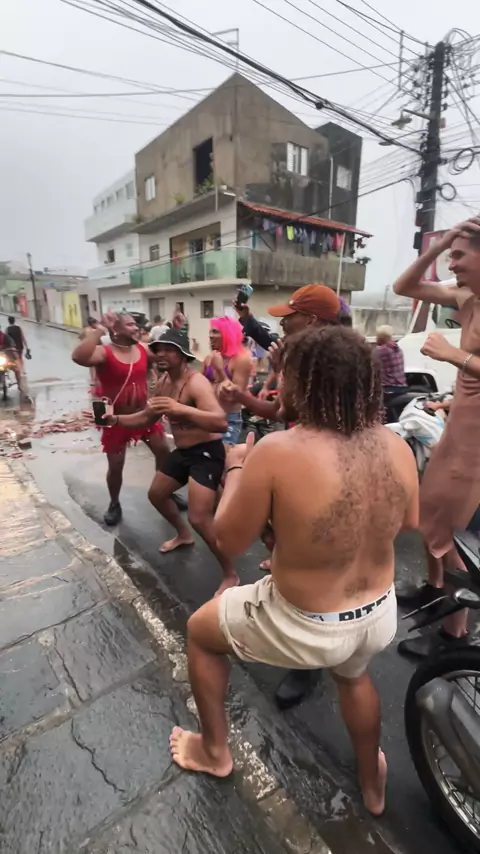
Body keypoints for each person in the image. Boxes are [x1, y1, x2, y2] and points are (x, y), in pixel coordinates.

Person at [169, 326, 419, 817]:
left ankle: (215, 751)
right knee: (354, 679)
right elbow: (407, 522)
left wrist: (235, 467)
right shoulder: (396, 445)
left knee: (200, 632)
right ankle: (372, 781)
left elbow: (227, 539)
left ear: (306, 382)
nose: (279, 384)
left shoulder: (278, 450)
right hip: (377, 614)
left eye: (286, 375)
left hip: (308, 623)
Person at [222, 283, 343, 708]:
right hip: (296, 464)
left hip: (323, 472)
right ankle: (306, 633)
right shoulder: (299, 357)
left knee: (316, 564)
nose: (282, 324)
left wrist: (285, 373)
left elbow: (320, 419)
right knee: (282, 544)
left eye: (288, 317)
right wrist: (242, 396)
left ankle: (312, 660)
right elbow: (282, 413)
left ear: (311, 321)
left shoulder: (336, 364)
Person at [392, 216, 480, 657]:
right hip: (457, 432)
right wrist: (440, 244)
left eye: (459, 255)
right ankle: (435, 589)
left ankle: (454, 634)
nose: (452, 262)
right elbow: (404, 287)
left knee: (451, 534)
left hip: (475, 446)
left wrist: (454, 355)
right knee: (431, 516)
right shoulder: (468, 296)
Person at [107, 328, 239, 595]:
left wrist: (180, 409)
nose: (161, 354)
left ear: (182, 355)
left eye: (168, 350)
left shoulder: (197, 383)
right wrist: (116, 419)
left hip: (206, 452)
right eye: (158, 350)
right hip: (183, 451)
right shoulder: (164, 382)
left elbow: (220, 422)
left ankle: (230, 574)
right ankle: (183, 535)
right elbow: (146, 417)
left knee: (199, 517)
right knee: (156, 495)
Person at [71, 311, 185, 527]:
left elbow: (166, 354)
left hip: (144, 416)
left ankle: (165, 492)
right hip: (115, 419)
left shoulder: (143, 349)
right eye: (131, 325)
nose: (136, 328)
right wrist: (100, 330)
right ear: (116, 329)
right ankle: (114, 503)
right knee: (116, 466)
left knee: (163, 451)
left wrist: (176, 330)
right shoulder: (105, 353)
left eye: (136, 325)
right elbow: (78, 357)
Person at [203, 316, 253, 447]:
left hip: (228, 419)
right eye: (210, 331)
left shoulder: (241, 359)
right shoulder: (209, 358)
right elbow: (199, 387)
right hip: (207, 417)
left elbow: (235, 396)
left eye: (215, 332)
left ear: (227, 334)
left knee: (224, 457)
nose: (210, 336)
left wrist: (220, 371)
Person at [375, 325, 407, 391]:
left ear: (382, 337)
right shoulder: (397, 348)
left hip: (389, 388)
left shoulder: (382, 350)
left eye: (377, 336)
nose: (376, 339)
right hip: (402, 386)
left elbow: (367, 359)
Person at [0, 325, 24, 394]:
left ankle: (19, 385)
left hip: (6, 357)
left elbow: (12, 343)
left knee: (16, 369)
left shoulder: (5, 336)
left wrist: (12, 347)